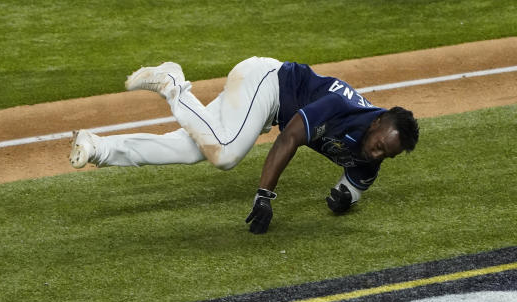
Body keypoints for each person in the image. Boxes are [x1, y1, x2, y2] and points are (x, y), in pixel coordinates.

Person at [69, 57, 419, 234]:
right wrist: (264, 193)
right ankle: (172, 82)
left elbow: (354, 185)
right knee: (226, 154)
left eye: (386, 154)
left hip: (267, 105)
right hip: (266, 82)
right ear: (376, 123)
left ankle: (99, 148)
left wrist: (345, 200)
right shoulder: (343, 107)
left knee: (196, 148)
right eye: (378, 146)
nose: (377, 155)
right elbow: (290, 137)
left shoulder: (375, 153)